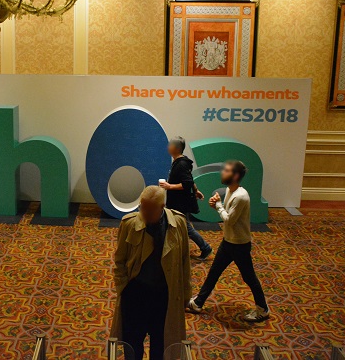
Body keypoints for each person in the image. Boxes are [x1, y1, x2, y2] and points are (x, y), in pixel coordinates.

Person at [111, 186, 191, 360]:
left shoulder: (178, 224)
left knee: (161, 346)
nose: (144, 213)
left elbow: (185, 262)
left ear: (162, 207)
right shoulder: (129, 223)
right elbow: (120, 260)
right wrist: (123, 287)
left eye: (149, 210)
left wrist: (185, 294)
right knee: (132, 344)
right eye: (142, 207)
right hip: (135, 294)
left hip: (164, 295)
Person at [186, 160, 269, 322]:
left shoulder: (241, 196)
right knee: (214, 273)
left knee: (249, 277)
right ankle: (198, 303)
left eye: (227, 170)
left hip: (239, 245)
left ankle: (263, 309)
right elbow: (227, 214)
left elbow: (229, 219)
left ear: (236, 175)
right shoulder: (230, 191)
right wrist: (216, 204)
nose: (222, 172)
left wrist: (217, 205)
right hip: (229, 241)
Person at [159, 136, 212, 260]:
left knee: (186, 227)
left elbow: (186, 182)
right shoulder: (181, 162)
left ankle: (205, 248)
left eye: (170, 145)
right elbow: (189, 179)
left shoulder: (181, 164)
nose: (168, 146)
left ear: (176, 148)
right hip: (178, 202)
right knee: (170, 224)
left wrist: (169, 186)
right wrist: (196, 190)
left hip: (180, 203)